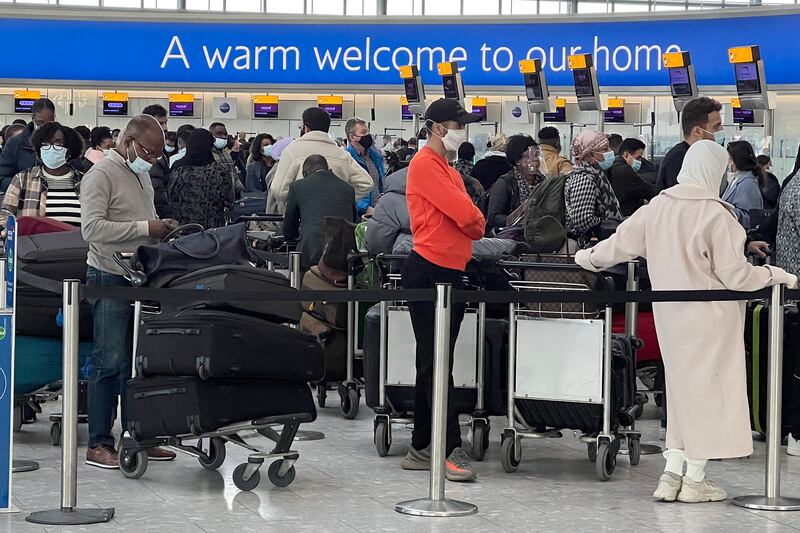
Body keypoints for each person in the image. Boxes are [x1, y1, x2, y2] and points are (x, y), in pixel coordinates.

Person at [574, 140, 798, 503]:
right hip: (712, 320)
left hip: (671, 318)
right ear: (711, 170)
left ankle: (670, 473)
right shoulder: (716, 215)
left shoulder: (658, 206)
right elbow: (736, 277)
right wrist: (776, 275)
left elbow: (616, 246)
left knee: (680, 394)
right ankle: (694, 478)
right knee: (710, 394)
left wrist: (584, 258)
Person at [80, 115, 178, 468]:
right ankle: (98, 442)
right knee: (110, 361)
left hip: (138, 276)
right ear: (128, 141)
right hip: (108, 276)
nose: (152, 159)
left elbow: (142, 218)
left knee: (137, 362)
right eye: (149, 152)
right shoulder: (100, 175)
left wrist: (159, 229)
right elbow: (91, 229)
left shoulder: (141, 174)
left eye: (157, 155)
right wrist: (144, 226)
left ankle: (138, 434)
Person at [400, 98, 485, 482]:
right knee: (437, 363)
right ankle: (447, 447)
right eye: (455, 124)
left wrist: (470, 217)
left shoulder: (445, 168)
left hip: (447, 270)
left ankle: (421, 445)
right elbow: (470, 216)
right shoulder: (426, 166)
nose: (460, 131)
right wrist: (470, 217)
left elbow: (471, 216)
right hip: (431, 270)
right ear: (436, 127)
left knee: (435, 362)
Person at [268, 107, 372, 214]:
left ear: (306, 128)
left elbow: (278, 190)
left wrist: (298, 203)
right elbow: (366, 183)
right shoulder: (342, 154)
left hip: (301, 218)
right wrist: (342, 200)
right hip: (335, 219)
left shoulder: (292, 151)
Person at [1, 122, 85, 230]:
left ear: (70, 150)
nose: (51, 149)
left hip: (77, 245)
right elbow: (5, 216)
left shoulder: (84, 181)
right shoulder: (23, 179)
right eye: (45, 144)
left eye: (58, 144)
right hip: (32, 245)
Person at [282, 155, 357, 271]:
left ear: (304, 173)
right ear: (328, 169)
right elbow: (353, 221)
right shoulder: (347, 188)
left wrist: (292, 240)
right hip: (343, 254)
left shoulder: (298, 186)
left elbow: (289, 224)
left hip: (310, 252)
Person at [168, 129, 235, 229]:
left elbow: (171, 197)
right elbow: (229, 201)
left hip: (183, 231)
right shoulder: (219, 171)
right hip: (212, 232)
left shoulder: (178, 169)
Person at [656, 97, 724, 193]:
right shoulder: (679, 158)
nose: (721, 130)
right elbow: (683, 200)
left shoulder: (700, 156)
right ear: (697, 131)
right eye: (716, 126)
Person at [565, 130, 622, 243]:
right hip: (590, 246)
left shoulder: (596, 174)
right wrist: (610, 227)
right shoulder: (583, 179)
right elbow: (583, 220)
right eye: (604, 149)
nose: (610, 152)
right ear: (589, 154)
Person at [485, 135, 544, 233]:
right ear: (517, 160)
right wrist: (518, 217)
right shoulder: (506, 183)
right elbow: (493, 218)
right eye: (530, 156)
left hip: (539, 234)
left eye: (537, 155)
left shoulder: (542, 181)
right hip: (512, 237)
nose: (535, 160)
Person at [0, 98, 56, 192]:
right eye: (40, 122)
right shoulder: (16, 143)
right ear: (33, 118)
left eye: (49, 123)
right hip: (24, 200)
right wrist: (25, 185)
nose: (44, 127)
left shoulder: (64, 142)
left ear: (54, 118)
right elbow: (2, 179)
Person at [345, 117, 384, 215]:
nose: (368, 135)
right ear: (352, 137)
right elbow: (346, 192)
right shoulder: (346, 160)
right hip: (360, 216)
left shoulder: (375, 157)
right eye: (363, 132)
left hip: (379, 212)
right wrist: (365, 208)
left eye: (368, 132)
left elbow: (380, 184)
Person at [607, 138, 656, 216]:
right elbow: (647, 189)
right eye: (638, 158)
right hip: (626, 214)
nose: (640, 162)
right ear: (626, 155)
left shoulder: (616, 164)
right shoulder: (624, 170)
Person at [722, 140, 764, 230]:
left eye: (729, 157)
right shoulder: (736, 179)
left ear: (737, 159)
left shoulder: (747, 183)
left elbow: (749, 218)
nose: (727, 161)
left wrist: (722, 209)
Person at [142, 104, 173, 219]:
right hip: (153, 212)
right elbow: (156, 189)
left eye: (165, 122)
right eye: (160, 123)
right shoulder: (146, 150)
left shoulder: (160, 149)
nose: (165, 128)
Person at [209, 122, 245, 195]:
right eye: (219, 133)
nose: (223, 136)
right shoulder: (207, 155)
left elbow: (233, 174)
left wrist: (241, 190)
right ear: (211, 135)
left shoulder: (226, 154)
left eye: (225, 134)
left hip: (231, 197)